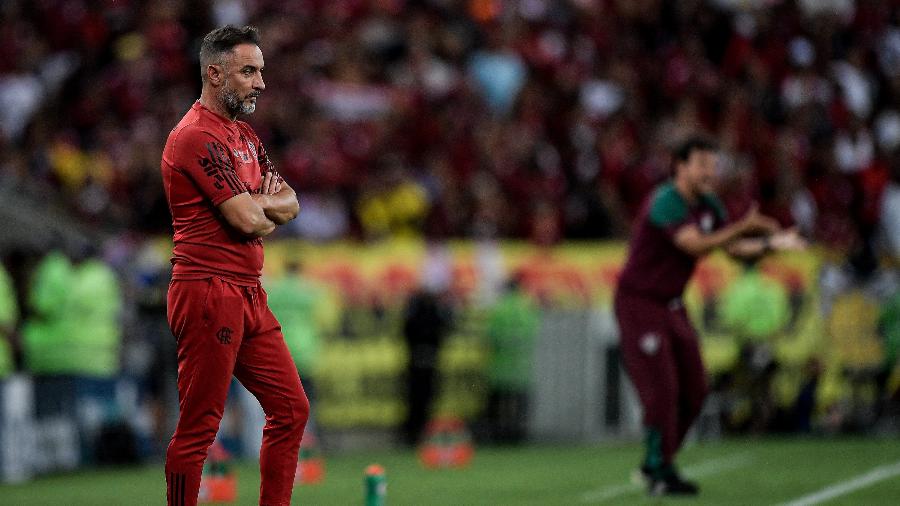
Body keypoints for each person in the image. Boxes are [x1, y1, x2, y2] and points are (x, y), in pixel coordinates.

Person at [160, 25, 308, 506]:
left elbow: (292, 204)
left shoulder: (243, 135)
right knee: (200, 425)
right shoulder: (193, 136)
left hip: (247, 289)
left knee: (291, 409)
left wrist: (260, 207)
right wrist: (260, 205)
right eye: (249, 71)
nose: (260, 83)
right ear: (214, 72)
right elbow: (249, 218)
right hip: (207, 289)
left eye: (261, 71)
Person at [614, 137, 804, 496]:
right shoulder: (666, 201)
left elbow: (731, 249)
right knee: (663, 390)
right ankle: (659, 469)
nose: (709, 173)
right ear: (679, 166)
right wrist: (742, 226)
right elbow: (695, 245)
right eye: (702, 164)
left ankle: (658, 463)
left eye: (713, 166)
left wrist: (770, 244)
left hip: (672, 303)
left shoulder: (709, 205)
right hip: (640, 303)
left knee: (696, 389)